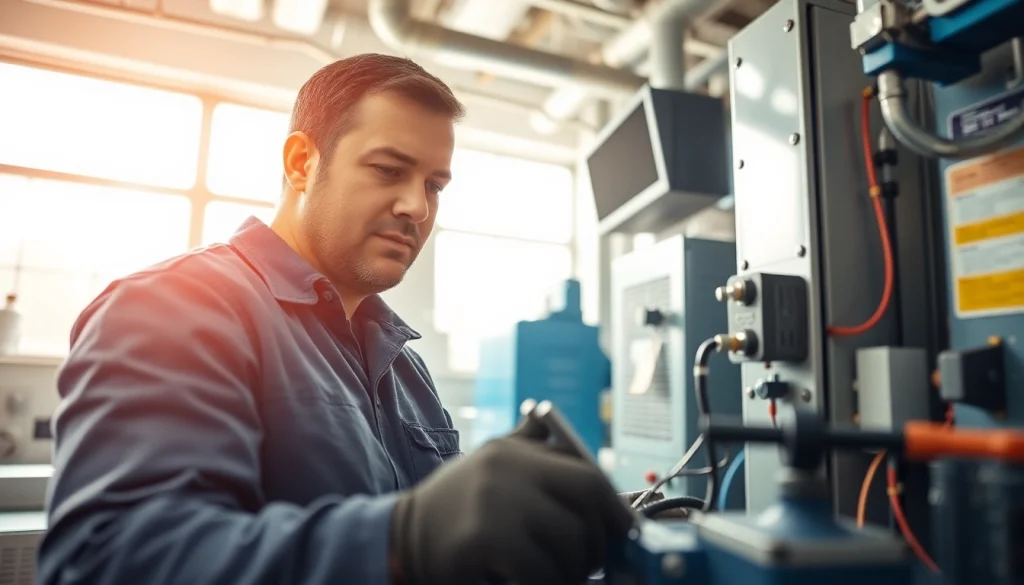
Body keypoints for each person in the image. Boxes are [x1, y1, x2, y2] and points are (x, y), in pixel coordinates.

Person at [37, 54, 635, 585]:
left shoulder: (406, 369)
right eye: (388, 170)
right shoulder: (174, 307)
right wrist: (401, 540)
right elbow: (111, 561)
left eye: (434, 185)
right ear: (302, 162)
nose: (417, 207)